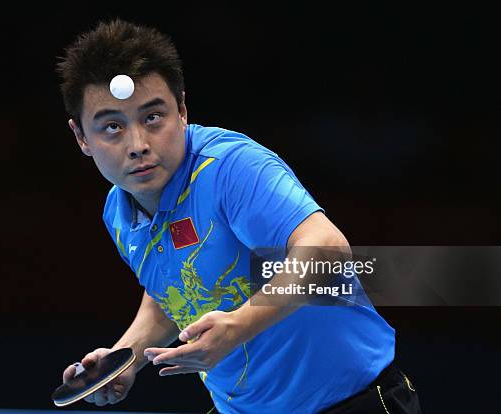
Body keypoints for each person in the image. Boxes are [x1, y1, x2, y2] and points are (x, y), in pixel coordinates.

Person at [56, 19, 421, 413]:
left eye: (152, 117)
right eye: (112, 126)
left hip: (350, 403)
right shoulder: (119, 211)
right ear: (82, 138)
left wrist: (238, 327)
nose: (138, 145)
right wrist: (126, 357)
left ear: (181, 109)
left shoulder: (230, 168)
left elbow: (329, 252)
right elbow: (172, 287)